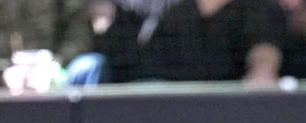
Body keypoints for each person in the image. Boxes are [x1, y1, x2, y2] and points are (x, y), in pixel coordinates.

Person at [79, 0, 287, 84]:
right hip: (142, 99)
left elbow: (264, 52)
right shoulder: (154, 6)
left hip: (216, 111)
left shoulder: (255, 8)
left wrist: (263, 72)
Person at [0, 0, 95, 88]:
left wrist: (54, 65)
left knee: (90, 65)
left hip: (52, 73)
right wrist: (1, 78)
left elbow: (79, 33)